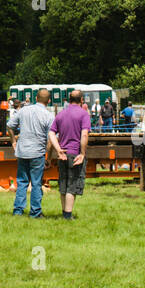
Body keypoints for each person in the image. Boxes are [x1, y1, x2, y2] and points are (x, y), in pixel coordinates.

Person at [8, 88, 55, 218]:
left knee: (22, 182)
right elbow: (51, 140)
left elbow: (10, 126)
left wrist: (13, 142)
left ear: (35, 98)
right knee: (36, 183)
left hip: (22, 151)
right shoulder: (49, 116)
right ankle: (35, 212)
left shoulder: (23, 110)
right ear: (49, 101)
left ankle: (18, 211)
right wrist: (49, 157)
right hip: (37, 153)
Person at [50, 89, 91, 219]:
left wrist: (58, 149)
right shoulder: (84, 114)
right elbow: (84, 134)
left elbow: (51, 133)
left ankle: (64, 213)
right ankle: (67, 216)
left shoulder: (61, 114)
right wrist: (83, 153)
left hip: (63, 154)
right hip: (75, 154)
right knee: (72, 186)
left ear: (68, 100)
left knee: (63, 184)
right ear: (82, 100)